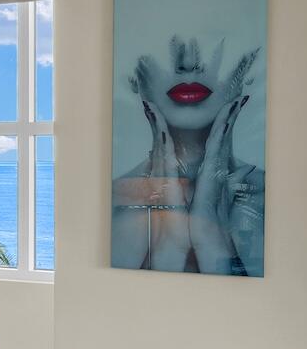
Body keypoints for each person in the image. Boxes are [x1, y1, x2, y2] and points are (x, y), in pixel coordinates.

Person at [112, 35, 263, 275]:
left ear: (249, 68)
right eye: (163, 37)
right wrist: (169, 243)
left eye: (213, 38)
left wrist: (211, 237)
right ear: (134, 78)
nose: (189, 62)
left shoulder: (279, 201)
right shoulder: (109, 204)